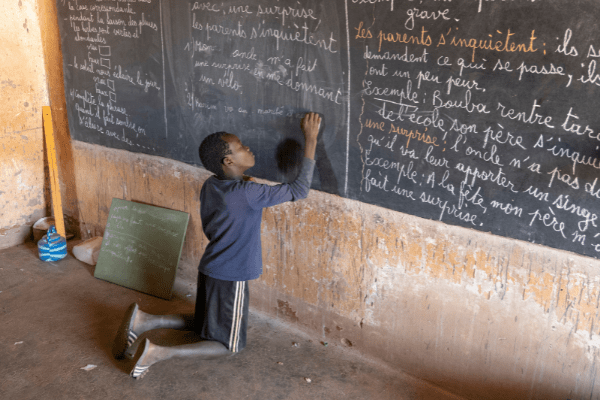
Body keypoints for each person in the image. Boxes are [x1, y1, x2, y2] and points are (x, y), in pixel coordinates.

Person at [112, 112, 322, 379]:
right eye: (241, 147)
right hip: (232, 273)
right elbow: (299, 190)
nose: (249, 148)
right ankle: (158, 352)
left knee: (204, 322)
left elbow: (235, 199)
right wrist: (311, 139)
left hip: (211, 266)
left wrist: (246, 182)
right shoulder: (248, 193)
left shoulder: (212, 184)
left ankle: (146, 321)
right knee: (227, 344)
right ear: (229, 160)